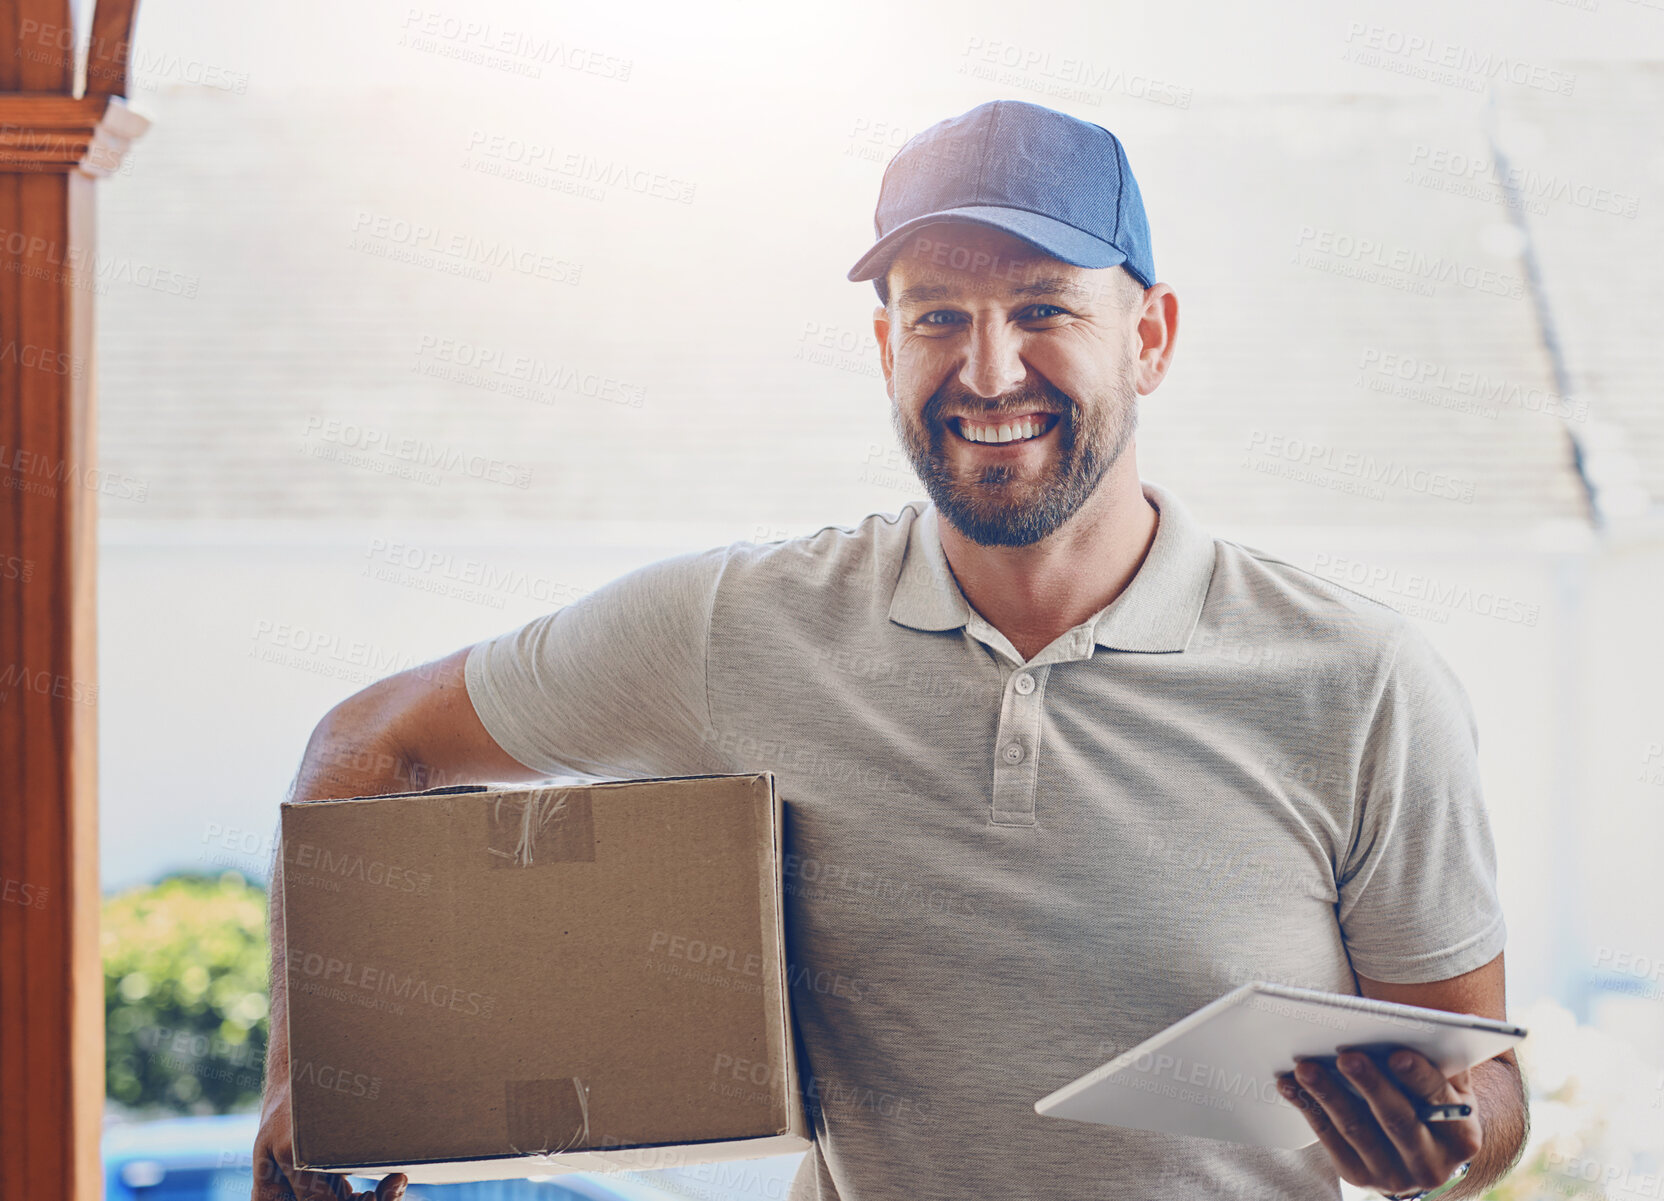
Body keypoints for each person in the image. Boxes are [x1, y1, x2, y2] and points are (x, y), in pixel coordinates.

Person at [252, 100, 1526, 1201]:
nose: (985, 369)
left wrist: (1447, 1139)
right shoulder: (739, 628)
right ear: (882, 347)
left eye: (1042, 309)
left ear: (1148, 337)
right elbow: (373, 739)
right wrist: (314, 1085)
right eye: (934, 318)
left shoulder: (1353, 678)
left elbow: (1486, 1083)